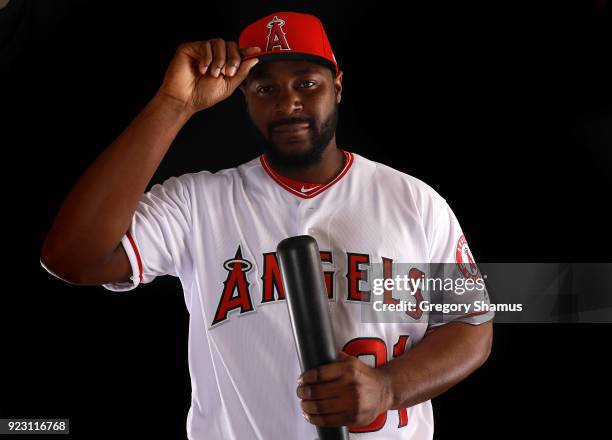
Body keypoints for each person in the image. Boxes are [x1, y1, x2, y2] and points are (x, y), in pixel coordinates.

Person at [40, 11, 494, 440]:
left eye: (307, 83)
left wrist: (388, 389)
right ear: (244, 98)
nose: (288, 102)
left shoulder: (414, 201)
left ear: (337, 86)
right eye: (265, 89)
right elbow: (72, 258)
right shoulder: (199, 203)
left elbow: (473, 326)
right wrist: (173, 104)